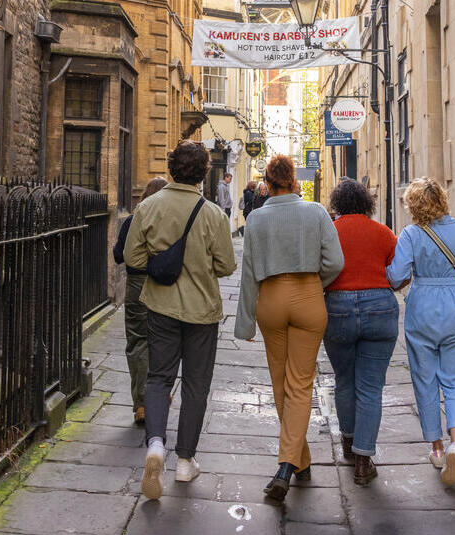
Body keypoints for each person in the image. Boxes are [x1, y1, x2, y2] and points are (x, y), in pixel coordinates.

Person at [124, 140, 237, 500]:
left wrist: (161, 263)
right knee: (196, 385)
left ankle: (155, 445)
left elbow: (133, 257)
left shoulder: (149, 206)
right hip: (202, 312)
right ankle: (185, 461)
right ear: (204, 173)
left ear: (171, 168)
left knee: (159, 378)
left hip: (159, 307)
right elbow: (227, 265)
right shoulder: (213, 214)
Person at [234, 155, 344, 502]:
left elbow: (249, 272)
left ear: (266, 183)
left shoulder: (255, 219)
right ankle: (292, 461)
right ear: (295, 180)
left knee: (281, 383)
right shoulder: (315, 212)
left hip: (271, 300)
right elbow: (335, 262)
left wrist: (245, 322)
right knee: (301, 383)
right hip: (308, 296)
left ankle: (295, 462)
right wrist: (315, 283)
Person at [386, 177, 455, 487]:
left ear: (412, 205)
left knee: (425, 381)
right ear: (442, 199)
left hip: (423, 310)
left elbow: (397, 275)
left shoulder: (411, 234)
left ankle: (437, 449)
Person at [323, 178, 399, 486]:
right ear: (367, 202)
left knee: (344, 379)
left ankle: (347, 444)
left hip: (337, 307)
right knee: (370, 387)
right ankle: (364, 461)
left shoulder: (329, 231)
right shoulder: (383, 232)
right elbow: (398, 274)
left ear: (337, 204)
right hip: (380, 307)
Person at [112, 177, 167, 424]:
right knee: (164, 341)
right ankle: (159, 395)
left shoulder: (135, 219)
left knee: (138, 342)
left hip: (136, 285)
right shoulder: (170, 222)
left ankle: (142, 403)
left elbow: (117, 255)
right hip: (164, 284)